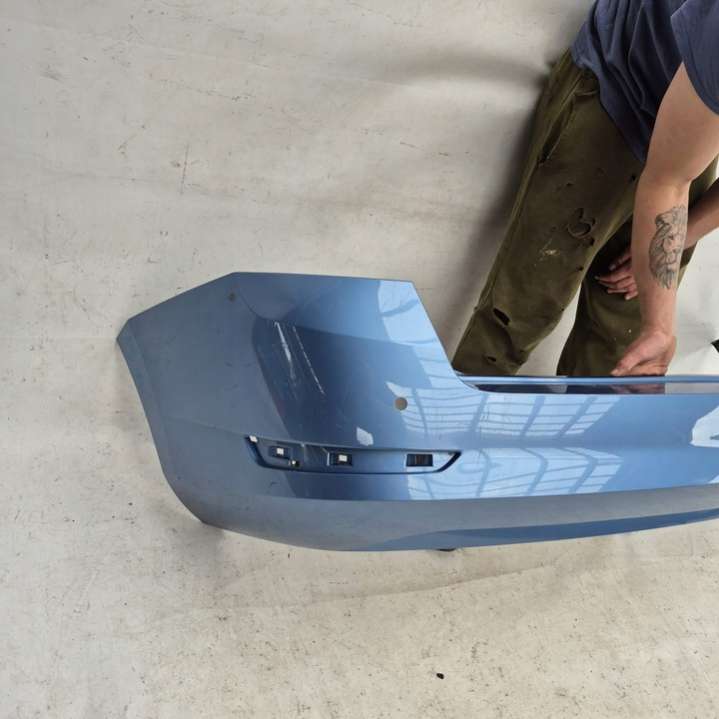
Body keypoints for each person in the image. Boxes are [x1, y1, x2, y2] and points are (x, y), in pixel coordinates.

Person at [452, 0, 719, 377]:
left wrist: (678, 241)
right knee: (524, 304)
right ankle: (460, 411)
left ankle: (587, 416)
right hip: (621, 90)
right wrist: (660, 326)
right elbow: (667, 181)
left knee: (623, 344)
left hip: (699, 122)